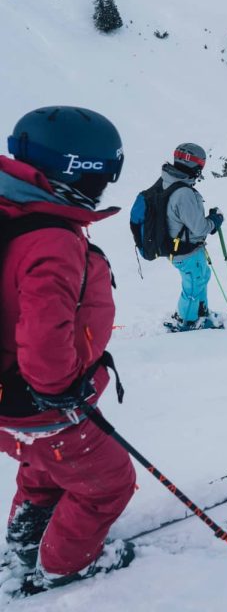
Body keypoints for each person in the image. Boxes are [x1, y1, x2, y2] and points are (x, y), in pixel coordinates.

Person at [0, 106, 135, 591]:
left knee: (45, 470)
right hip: (42, 405)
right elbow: (43, 333)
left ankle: (22, 550)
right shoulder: (49, 239)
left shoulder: (14, 210)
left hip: (11, 403)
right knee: (109, 484)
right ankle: (64, 566)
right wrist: (59, 390)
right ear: (80, 171)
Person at [160, 143, 225, 332]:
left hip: (185, 247)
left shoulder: (170, 181)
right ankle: (186, 321)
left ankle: (200, 313)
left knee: (202, 277)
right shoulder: (183, 193)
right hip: (185, 250)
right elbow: (199, 228)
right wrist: (215, 220)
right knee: (193, 285)